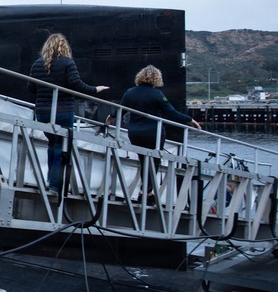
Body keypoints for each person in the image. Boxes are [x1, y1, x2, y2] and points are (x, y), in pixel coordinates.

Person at [27, 33, 109, 194]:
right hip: (62, 111)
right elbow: (76, 84)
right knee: (61, 146)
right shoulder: (67, 63)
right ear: (64, 47)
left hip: (43, 112)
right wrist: (95, 89)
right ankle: (56, 186)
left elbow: (31, 88)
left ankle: (52, 181)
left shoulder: (38, 63)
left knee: (53, 144)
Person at [111, 65, 201, 160]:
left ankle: (145, 175)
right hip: (153, 133)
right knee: (154, 162)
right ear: (156, 78)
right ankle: (150, 174)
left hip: (135, 132)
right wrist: (189, 119)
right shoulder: (157, 94)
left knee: (143, 161)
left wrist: (111, 116)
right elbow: (171, 113)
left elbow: (121, 110)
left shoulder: (129, 92)